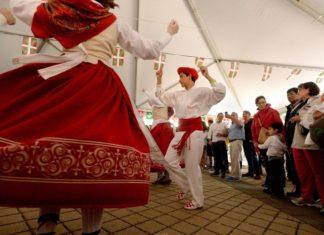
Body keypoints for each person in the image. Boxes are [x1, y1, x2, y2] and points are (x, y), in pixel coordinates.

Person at [0, 0, 179, 234]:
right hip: (100, 87)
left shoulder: (61, 9)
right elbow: (150, 49)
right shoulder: (115, 22)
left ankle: (47, 225)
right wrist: (169, 33)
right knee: (98, 155)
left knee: (52, 144)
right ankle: (91, 230)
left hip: (63, 83)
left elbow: (21, 8)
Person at [155, 66, 226, 210]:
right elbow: (161, 96)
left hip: (194, 131)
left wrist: (208, 76)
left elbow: (220, 92)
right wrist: (159, 79)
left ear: (190, 77)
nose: (179, 79)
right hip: (180, 132)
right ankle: (185, 185)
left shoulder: (202, 92)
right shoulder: (178, 94)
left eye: (182, 76)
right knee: (168, 161)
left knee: (192, 167)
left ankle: (198, 200)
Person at [290, 82, 324, 216]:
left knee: (319, 172)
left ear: (309, 89)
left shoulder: (318, 99)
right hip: (298, 141)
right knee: (303, 172)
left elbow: (316, 116)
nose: (299, 91)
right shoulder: (301, 103)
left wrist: (300, 118)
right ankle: (306, 197)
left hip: (311, 141)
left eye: (301, 89)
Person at [251, 96, 283, 190]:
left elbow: (279, 125)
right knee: (267, 165)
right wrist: (255, 142)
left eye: (263, 102)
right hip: (261, 142)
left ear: (266, 102)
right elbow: (253, 130)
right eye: (259, 103)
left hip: (272, 142)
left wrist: (280, 136)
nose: (262, 104)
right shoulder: (256, 116)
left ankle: (276, 186)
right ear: (256, 104)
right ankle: (270, 184)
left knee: (274, 166)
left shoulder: (273, 112)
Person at [143, 89, 174, 184]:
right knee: (158, 151)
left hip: (162, 128)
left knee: (162, 152)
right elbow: (151, 100)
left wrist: (146, 92)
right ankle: (162, 176)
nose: (157, 96)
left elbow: (153, 99)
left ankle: (166, 176)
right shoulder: (157, 103)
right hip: (159, 126)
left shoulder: (162, 102)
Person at [284, 88, 305, 197]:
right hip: (290, 141)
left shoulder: (303, 105)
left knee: (300, 168)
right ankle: (298, 188)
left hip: (299, 140)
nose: (289, 96)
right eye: (288, 95)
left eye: (292, 94)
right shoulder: (290, 108)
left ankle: (302, 191)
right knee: (293, 166)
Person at [258, 122, 287, 198]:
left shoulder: (271, 138)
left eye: (270, 129)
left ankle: (275, 192)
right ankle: (281, 192)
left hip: (272, 159)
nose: (268, 131)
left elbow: (264, 146)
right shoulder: (281, 138)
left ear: (276, 130)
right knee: (280, 175)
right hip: (280, 159)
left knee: (274, 176)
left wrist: (257, 145)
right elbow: (285, 148)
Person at [208, 112, 228, 178]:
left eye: (222, 116)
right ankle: (216, 171)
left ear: (223, 118)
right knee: (216, 158)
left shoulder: (224, 124)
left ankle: (223, 172)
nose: (220, 117)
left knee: (223, 158)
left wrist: (222, 134)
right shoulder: (212, 125)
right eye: (219, 116)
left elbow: (227, 134)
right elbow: (209, 133)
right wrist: (209, 140)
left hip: (222, 142)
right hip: (214, 143)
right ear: (217, 116)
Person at [225, 112, 245, 181]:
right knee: (233, 159)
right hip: (232, 142)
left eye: (234, 115)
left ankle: (236, 176)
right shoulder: (232, 124)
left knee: (235, 158)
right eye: (231, 115)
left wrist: (230, 117)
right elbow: (228, 133)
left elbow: (240, 125)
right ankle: (234, 174)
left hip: (237, 141)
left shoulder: (239, 121)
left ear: (237, 116)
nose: (232, 116)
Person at [242, 110, 260, 179]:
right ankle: (250, 172)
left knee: (254, 157)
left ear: (249, 114)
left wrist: (254, 140)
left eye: (245, 114)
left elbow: (255, 130)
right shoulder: (244, 123)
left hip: (251, 141)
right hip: (245, 142)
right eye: (243, 114)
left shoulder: (252, 121)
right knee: (248, 157)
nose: (244, 115)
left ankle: (257, 173)